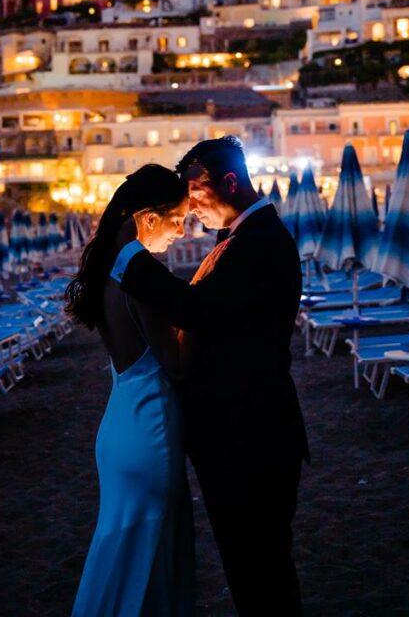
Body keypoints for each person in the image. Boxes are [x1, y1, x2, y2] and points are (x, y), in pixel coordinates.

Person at [117, 136, 308, 616]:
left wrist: (129, 256)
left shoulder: (261, 242)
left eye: (196, 191)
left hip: (251, 437)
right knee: (251, 569)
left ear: (230, 182)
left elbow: (199, 309)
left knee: (260, 568)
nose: (190, 204)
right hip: (239, 436)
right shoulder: (240, 240)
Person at [66, 164, 195, 617]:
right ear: (149, 216)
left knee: (119, 556)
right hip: (148, 430)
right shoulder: (136, 271)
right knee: (144, 562)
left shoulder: (110, 267)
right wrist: (201, 312)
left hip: (122, 422)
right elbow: (175, 363)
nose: (183, 230)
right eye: (178, 218)